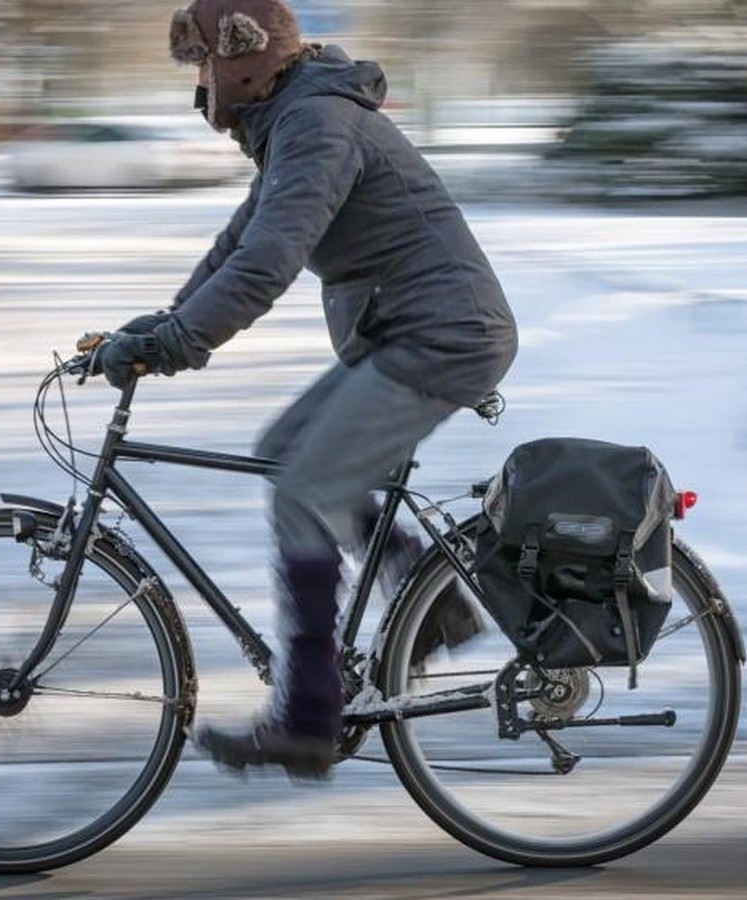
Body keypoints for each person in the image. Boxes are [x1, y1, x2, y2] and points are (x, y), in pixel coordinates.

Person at [94, 0, 517, 777]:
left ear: (243, 59)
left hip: (442, 334)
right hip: (409, 331)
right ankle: (432, 602)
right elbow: (238, 245)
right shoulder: (296, 121)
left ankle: (307, 715)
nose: (200, 85)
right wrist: (157, 326)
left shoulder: (316, 122)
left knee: (304, 487)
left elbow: (269, 262)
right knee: (284, 452)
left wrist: (181, 342)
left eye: (203, 66)